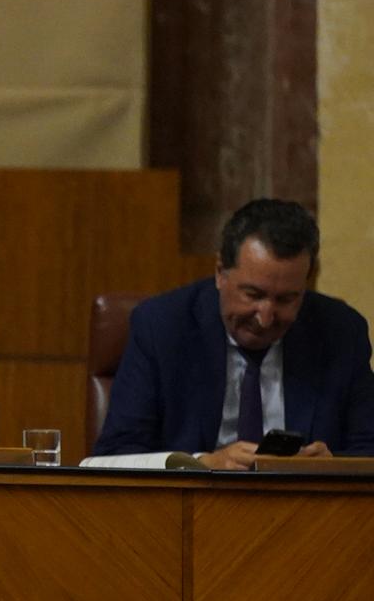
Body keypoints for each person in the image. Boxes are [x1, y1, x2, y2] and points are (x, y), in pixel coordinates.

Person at [93, 198, 374, 468]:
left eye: (286, 299)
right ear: (220, 273)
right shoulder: (162, 326)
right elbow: (115, 454)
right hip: (192, 508)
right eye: (253, 294)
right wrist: (201, 463)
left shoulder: (341, 331)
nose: (265, 318)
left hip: (305, 510)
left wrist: (333, 466)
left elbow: (368, 448)